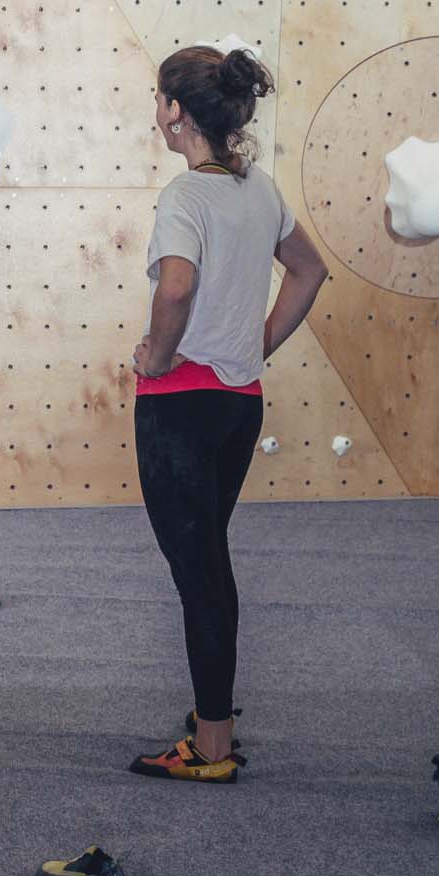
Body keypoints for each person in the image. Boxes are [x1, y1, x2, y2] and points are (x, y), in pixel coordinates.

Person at [126, 46, 328, 782]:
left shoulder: (186, 197)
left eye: (159, 99)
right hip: (240, 405)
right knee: (209, 559)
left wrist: (157, 356)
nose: (156, 111)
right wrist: (258, 342)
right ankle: (215, 716)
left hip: (179, 407)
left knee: (200, 573)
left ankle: (212, 747)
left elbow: (176, 288)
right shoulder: (258, 190)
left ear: (177, 111)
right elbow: (309, 270)